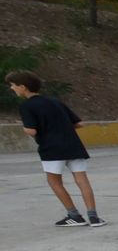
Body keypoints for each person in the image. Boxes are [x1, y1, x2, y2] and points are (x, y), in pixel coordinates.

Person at [6, 70, 103, 227]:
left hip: (51, 148)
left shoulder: (27, 106)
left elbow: (31, 130)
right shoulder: (55, 101)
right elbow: (79, 123)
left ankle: (74, 215)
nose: (12, 88)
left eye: (13, 85)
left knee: (54, 181)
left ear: (23, 87)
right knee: (82, 179)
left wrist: (23, 128)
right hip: (73, 145)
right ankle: (94, 217)